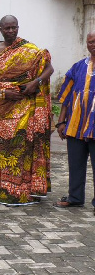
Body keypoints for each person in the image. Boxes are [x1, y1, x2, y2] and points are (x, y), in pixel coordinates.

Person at [0, 15, 54, 206]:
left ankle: (22, 191)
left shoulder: (30, 50)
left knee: (21, 148)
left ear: (17, 27)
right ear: (0, 29)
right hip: (1, 107)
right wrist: (4, 93)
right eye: (6, 28)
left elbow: (49, 69)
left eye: (13, 28)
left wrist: (35, 82)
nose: (10, 31)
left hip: (24, 106)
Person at [54, 31, 95, 212]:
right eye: (90, 41)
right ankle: (75, 197)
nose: (93, 44)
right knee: (76, 164)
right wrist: (61, 122)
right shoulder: (78, 67)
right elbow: (66, 97)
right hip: (76, 125)